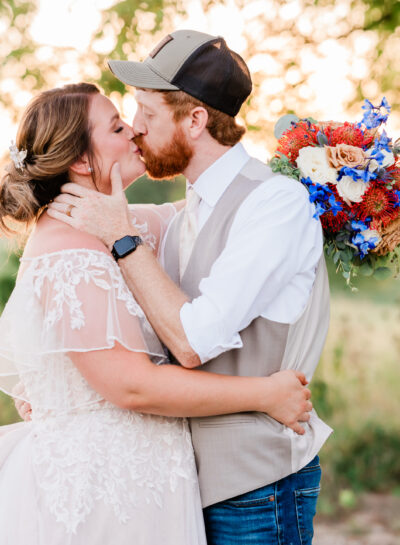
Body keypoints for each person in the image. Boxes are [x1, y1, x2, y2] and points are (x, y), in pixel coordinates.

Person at [47, 30, 333, 545]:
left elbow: (193, 341)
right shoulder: (182, 219)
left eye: (147, 115)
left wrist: (121, 236)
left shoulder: (276, 204)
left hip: (258, 488)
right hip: (184, 490)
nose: (135, 129)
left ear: (195, 120)